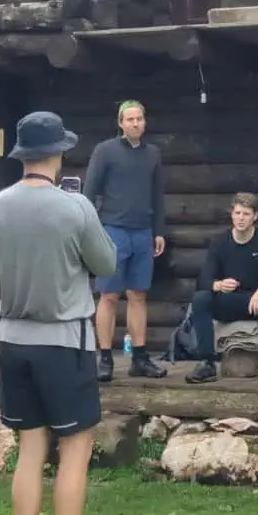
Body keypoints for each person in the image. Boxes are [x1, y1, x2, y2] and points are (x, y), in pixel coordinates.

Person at [0, 110, 119, 515]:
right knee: (74, 451)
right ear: (58, 153)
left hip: (14, 340)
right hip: (65, 338)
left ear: (21, 155)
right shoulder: (73, 208)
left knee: (30, 450)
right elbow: (105, 264)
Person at [85, 99, 167, 381]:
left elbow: (158, 194)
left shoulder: (152, 154)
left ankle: (139, 358)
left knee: (138, 294)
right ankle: (105, 358)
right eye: (129, 119)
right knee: (108, 295)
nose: (135, 123)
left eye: (139, 119)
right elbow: (90, 190)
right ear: (120, 123)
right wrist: (92, 230)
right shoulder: (105, 151)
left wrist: (159, 230)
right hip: (113, 230)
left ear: (145, 122)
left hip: (142, 231)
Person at [183, 191, 258, 383]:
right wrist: (218, 284)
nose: (241, 218)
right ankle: (206, 362)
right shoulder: (220, 242)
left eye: (246, 214)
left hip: (257, 303)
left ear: (255, 216)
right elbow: (203, 280)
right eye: (237, 213)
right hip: (229, 301)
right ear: (232, 214)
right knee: (201, 298)